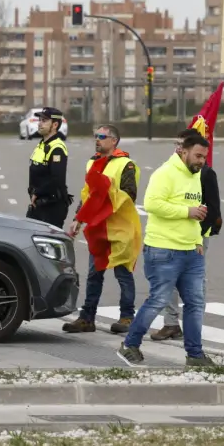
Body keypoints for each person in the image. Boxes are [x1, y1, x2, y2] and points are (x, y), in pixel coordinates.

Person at [118, 130, 215, 367]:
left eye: (204, 157)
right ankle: (130, 344)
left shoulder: (195, 175)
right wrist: (187, 212)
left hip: (191, 252)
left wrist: (196, 242)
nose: (201, 161)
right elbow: (152, 204)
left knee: (195, 303)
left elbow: (193, 210)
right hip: (164, 250)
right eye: (198, 156)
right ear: (183, 151)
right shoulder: (165, 173)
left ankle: (195, 354)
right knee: (158, 300)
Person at [64, 124, 141, 335]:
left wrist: (106, 191)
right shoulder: (92, 162)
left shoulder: (127, 164)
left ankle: (127, 317)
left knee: (123, 274)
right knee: (93, 274)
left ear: (113, 140)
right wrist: (78, 219)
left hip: (120, 228)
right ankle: (87, 318)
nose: (96, 140)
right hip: (98, 229)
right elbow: (87, 194)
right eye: (95, 136)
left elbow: (129, 196)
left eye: (101, 136)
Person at [152, 128, 223, 340]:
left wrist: (197, 236)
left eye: (182, 145)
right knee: (169, 279)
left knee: (194, 282)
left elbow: (213, 210)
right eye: (178, 144)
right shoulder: (172, 172)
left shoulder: (206, 174)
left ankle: (194, 324)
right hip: (173, 235)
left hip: (197, 236)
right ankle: (171, 323)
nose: (179, 149)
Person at [26, 107, 72, 227]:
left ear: (55, 124)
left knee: (50, 244)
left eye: (44, 120)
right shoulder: (42, 144)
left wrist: (37, 193)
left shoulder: (57, 148)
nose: (40, 123)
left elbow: (57, 179)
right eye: (40, 119)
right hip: (38, 205)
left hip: (51, 207)